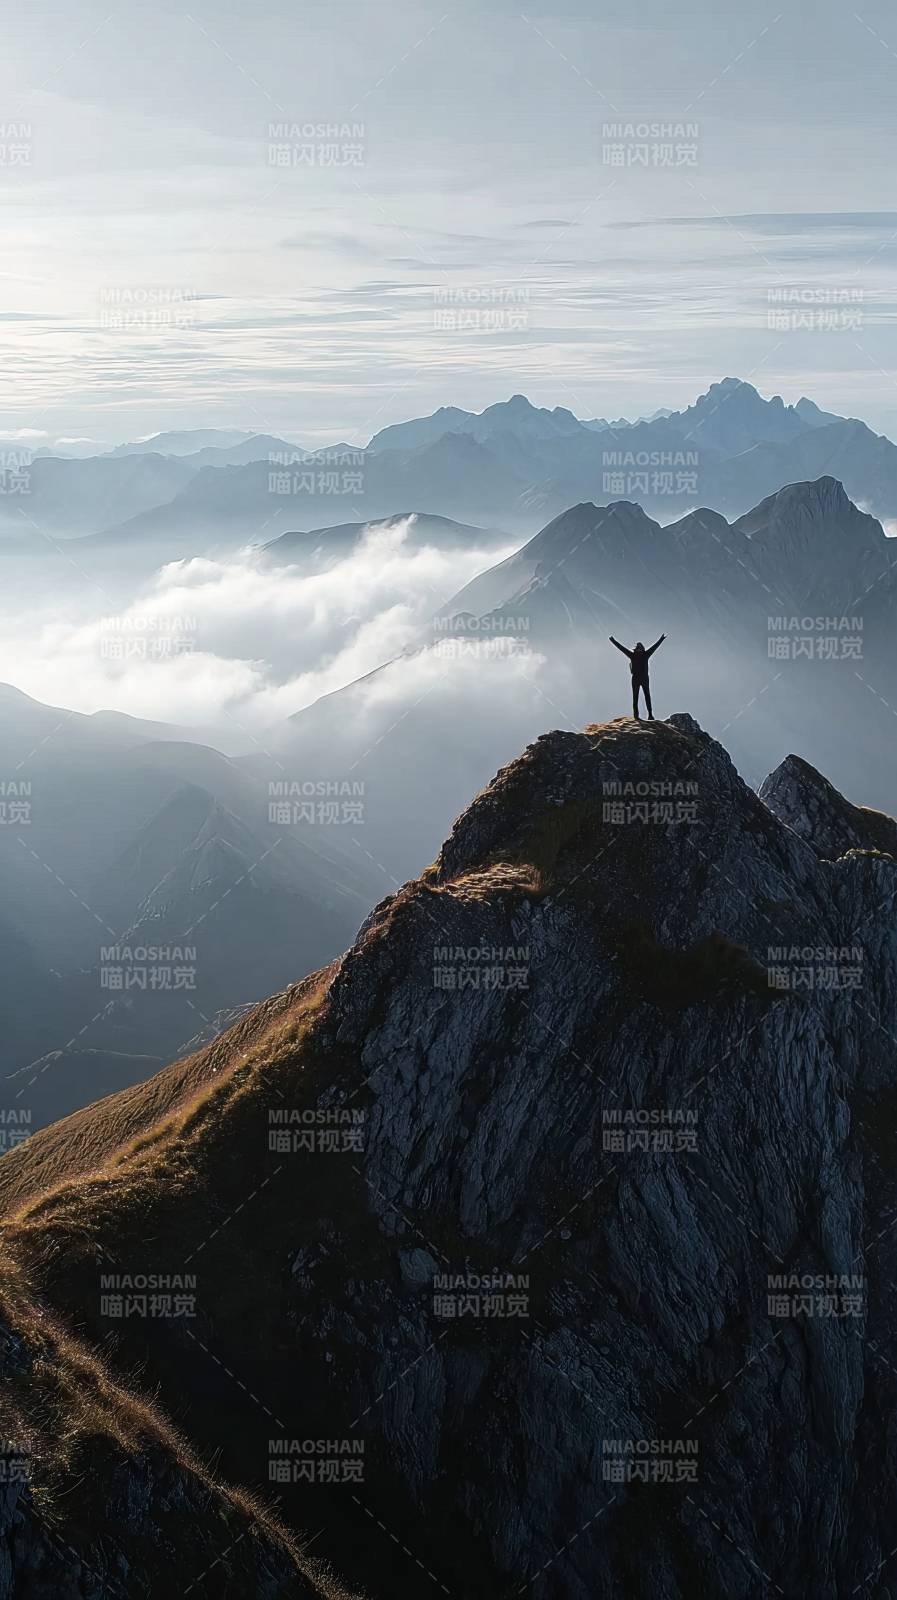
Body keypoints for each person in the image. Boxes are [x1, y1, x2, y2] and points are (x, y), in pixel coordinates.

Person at [609, 633, 666, 719]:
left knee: (639, 697)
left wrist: (613, 641)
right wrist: (661, 639)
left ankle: (644, 715)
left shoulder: (635, 655)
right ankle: (644, 715)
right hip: (641, 678)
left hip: (639, 678)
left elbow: (621, 648)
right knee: (642, 697)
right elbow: (622, 648)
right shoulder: (643, 655)